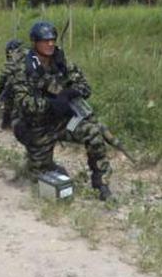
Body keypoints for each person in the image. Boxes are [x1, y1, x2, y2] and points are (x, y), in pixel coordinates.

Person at [9, 21, 113, 201]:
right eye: (45, 41)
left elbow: (85, 87)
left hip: (61, 123)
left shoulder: (61, 62)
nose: (50, 44)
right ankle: (39, 162)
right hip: (35, 127)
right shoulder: (22, 67)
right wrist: (50, 104)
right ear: (35, 42)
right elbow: (22, 102)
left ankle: (101, 184)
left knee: (93, 132)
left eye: (53, 40)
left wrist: (69, 93)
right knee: (41, 177)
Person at [0, 38, 25, 129]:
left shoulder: (12, 64)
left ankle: (6, 123)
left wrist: (0, 94)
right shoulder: (31, 60)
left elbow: (2, 80)